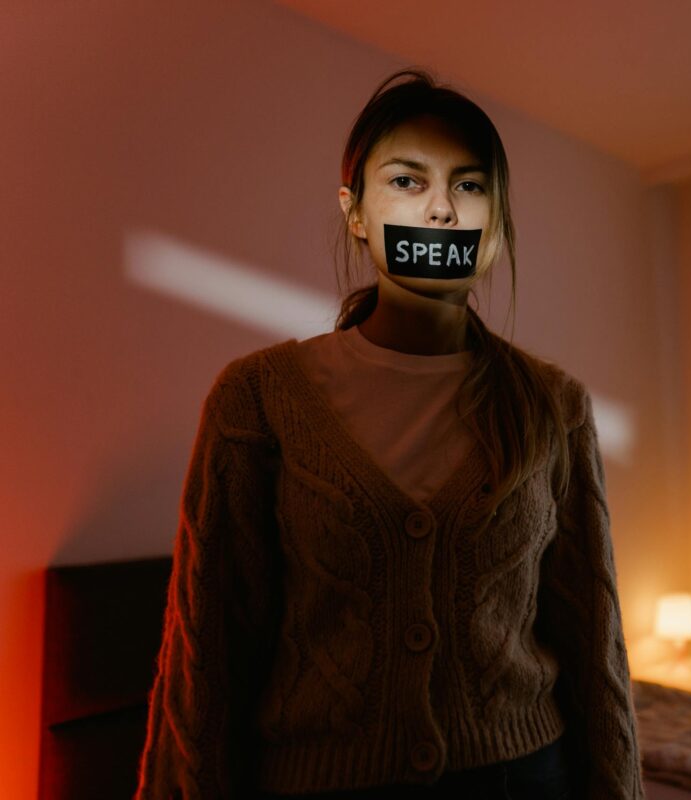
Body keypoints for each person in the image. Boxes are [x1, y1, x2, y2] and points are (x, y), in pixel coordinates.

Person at [135, 68, 645, 800]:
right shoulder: (258, 400)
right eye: (407, 182)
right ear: (355, 213)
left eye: (469, 188)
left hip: (528, 780)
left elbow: (595, 647)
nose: (440, 209)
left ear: (495, 225)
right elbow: (209, 658)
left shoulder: (553, 404)